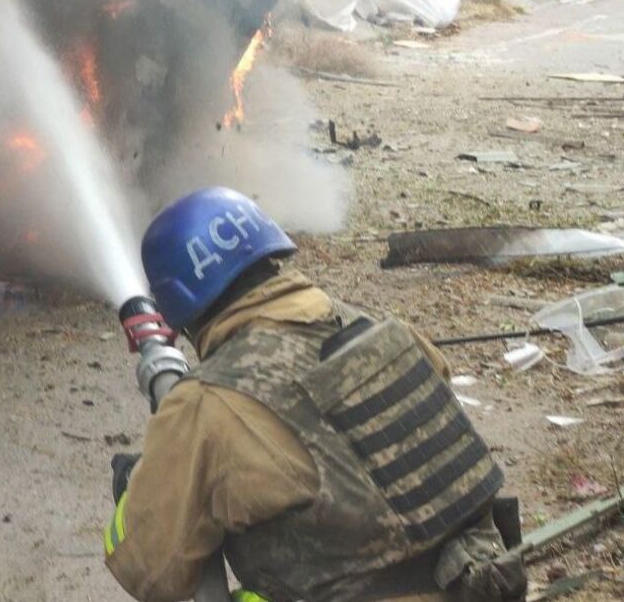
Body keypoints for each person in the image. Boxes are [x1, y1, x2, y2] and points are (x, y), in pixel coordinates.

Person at [103, 187, 526, 602]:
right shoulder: (386, 332)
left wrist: (138, 487)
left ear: (180, 306)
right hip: (481, 585)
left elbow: (150, 573)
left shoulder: (207, 404)